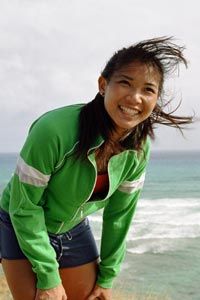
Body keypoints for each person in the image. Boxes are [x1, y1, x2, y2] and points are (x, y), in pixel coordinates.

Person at [0, 37, 192, 300]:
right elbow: (24, 207)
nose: (135, 97)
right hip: (18, 221)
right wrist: (49, 276)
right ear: (103, 85)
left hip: (73, 227)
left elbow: (120, 215)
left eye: (148, 89)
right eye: (125, 82)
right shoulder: (54, 130)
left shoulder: (138, 150)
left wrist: (108, 275)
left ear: (156, 99)